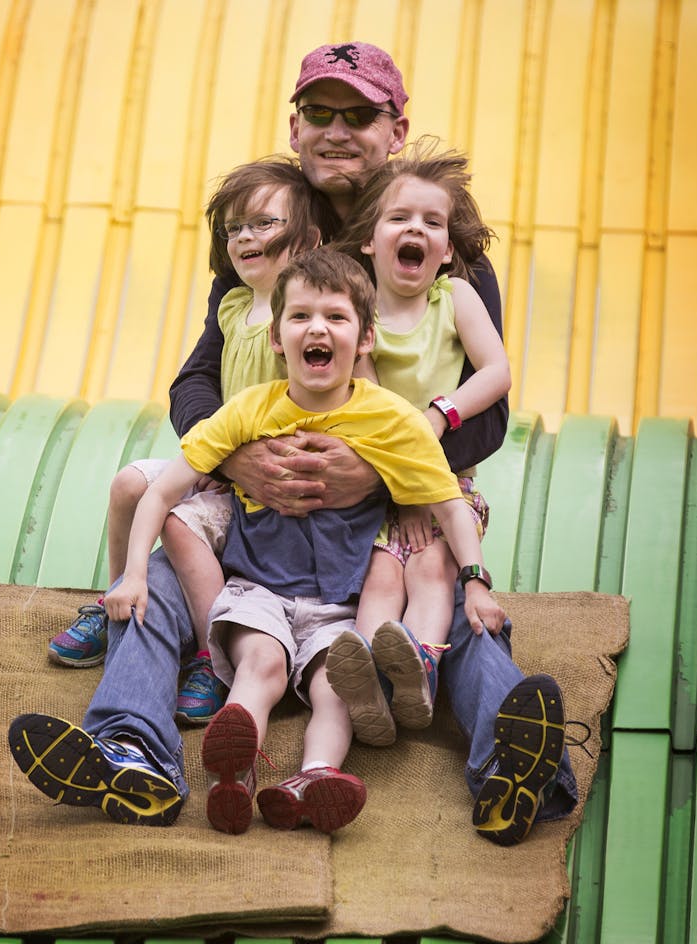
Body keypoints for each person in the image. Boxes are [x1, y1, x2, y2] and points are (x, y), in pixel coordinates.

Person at [172, 42, 577, 846]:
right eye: (320, 112)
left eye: (360, 114)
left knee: (450, 608)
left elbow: (490, 409)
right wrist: (235, 455)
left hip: (404, 497)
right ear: (295, 125)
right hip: (273, 496)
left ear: (397, 130)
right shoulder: (267, 230)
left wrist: (387, 471)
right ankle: (132, 747)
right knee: (164, 561)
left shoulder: (445, 248)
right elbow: (199, 381)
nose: (337, 129)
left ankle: (515, 767)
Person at [9, 248, 506, 834]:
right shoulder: (248, 412)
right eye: (300, 317)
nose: (317, 328)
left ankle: (314, 778)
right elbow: (161, 492)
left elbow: (448, 505)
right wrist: (132, 577)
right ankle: (234, 775)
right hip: (258, 592)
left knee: (337, 683)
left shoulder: (394, 422)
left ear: (366, 337)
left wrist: (475, 584)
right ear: (276, 338)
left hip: (341, 607)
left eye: (336, 318)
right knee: (261, 664)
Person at [46, 158, 338, 727]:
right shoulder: (231, 305)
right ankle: (114, 601)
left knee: (182, 525)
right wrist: (216, 453)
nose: (246, 237)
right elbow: (196, 382)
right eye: (235, 229)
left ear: (308, 239)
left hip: (266, 473)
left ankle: (212, 654)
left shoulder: (302, 313)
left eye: (264, 224)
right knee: (130, 482)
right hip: (223, 455)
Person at [319, 145, 513, 748]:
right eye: (400, 218)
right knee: (380, 576)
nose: (417, 231)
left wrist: (440, 413)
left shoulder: (454, 298)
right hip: (383, 484)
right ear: (370, 241)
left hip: (448, 482)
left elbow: (496, 372)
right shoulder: (359, 308)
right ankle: (372, 679)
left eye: (433, 223)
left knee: (431, 567)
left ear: (449, 250)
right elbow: (368, 397)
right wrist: (400, 471)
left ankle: (422, 665)